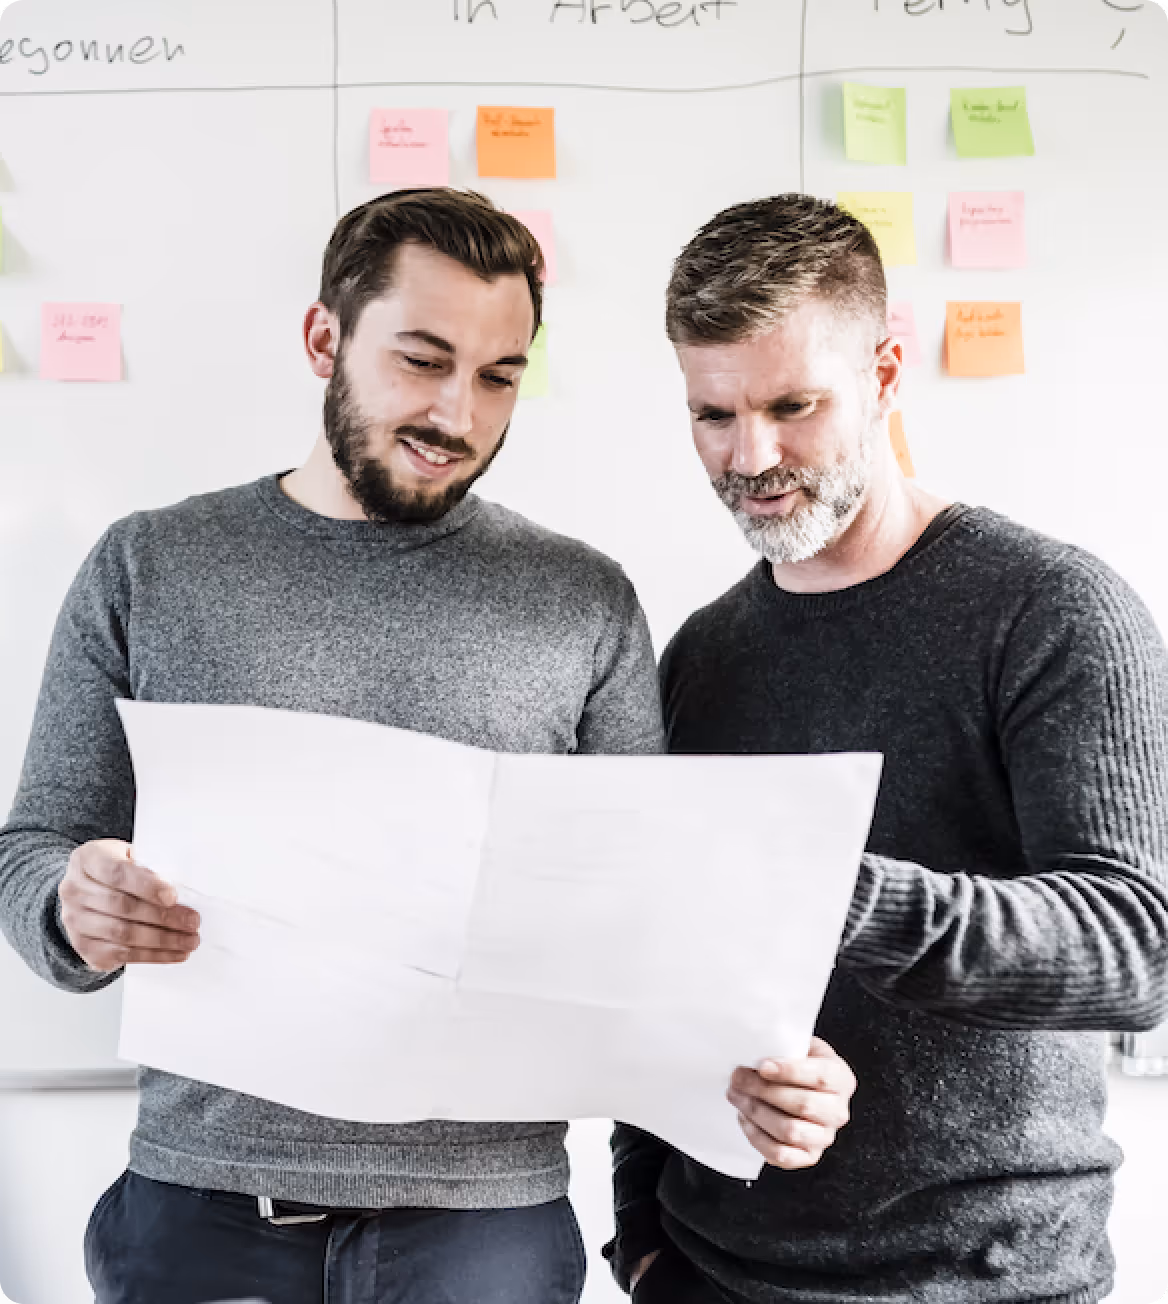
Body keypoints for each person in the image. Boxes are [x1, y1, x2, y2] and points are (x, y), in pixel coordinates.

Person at [0, 188, 856, 1304]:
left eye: (499, 375)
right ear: (324, 339)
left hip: (482, 1231)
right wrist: (73, 901)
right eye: (422, 358)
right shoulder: (149, 566)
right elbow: (34, 846)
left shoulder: (582, 600)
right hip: (201, 1210)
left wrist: (769, 1057)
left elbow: (657, 921)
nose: (459, 411)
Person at [604, 193, 1168, 1304]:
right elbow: (658, 967)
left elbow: (1135, 948)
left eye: (792, 404)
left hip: (985, 1277)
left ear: (887, 371)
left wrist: (830, 890)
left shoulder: (1051, 609)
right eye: (711, 414)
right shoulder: (700, 657)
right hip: (712, 1268)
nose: (749, 455)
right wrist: (638, 1235)